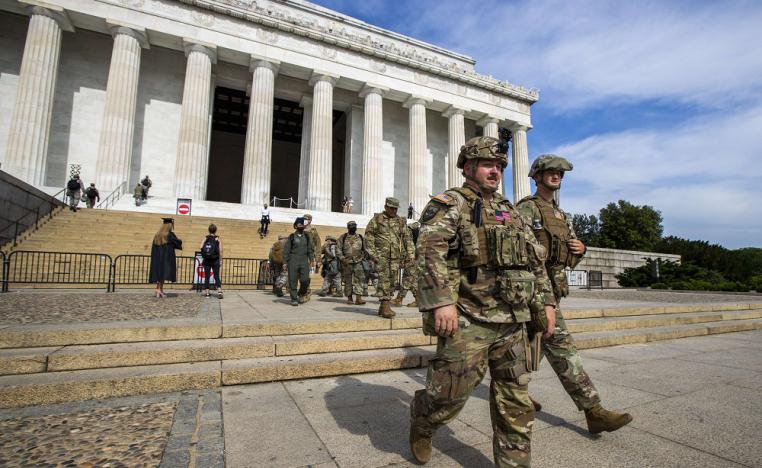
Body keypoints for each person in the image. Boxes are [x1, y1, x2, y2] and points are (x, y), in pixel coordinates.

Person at [409, 136, 556, 466]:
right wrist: (441, 302)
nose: (496, 171)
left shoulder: (509, 210)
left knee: (516, 402)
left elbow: (535, 259)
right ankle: (423, 419)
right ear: (468, 167)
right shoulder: (451, 203)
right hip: (468, 318)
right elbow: (430, 251)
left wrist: (546, 303)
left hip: (512, 320)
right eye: (489, 164)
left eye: (500, 166)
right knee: (447, 398)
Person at [517, 154, 633, 434]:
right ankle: (594, 411)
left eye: (560, 173)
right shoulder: (526, 209)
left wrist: (580, 250)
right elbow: (523, 254)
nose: (556, 176)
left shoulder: (561, 215)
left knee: (529, 349)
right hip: (534, 291)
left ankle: (517, 393)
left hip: (553, 290)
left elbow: (567, 255)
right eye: (551, 171)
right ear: (537, 176)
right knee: (562, 348)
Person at [365, 197, 414, 318]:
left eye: (395, 208)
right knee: (384, 280)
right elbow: (368, 237)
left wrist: (411, 254)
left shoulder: (400, 221)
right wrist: (373, 254)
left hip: (395, 257)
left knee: (392, 281)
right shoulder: (377, 219)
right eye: (391, 208)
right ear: (386, 207)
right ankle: (386, 306)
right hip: (381, 256)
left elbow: (407, 238)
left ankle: (383, 306)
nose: (393, 210)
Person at [283, 217, 315, 306]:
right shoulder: (292, 237)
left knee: (305, 280)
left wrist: (312, 260)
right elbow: (286, 250)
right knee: (292, 280)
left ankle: (301, 294)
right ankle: (294, 299)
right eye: (299, 224)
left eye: (302, 224)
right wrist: (285, 262)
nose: (300, 226)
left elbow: (310, 250)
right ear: (295, 226)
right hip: (293, 261)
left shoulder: (307, 237)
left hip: (304, 261)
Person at [149, 217, 183, 298]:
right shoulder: (169, 235)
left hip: (157, 258)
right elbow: (177, 243)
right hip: (166, 258)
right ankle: (159, 289)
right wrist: (180, 241)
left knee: (159, 273)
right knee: (163, 273)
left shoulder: (157, 235)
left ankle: (159, 289)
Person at [337, 221, 368, 305]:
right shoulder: (342, 237)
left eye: (354, 225)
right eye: (350, 226)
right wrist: (343, 259)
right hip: (347, 263)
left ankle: (358, 298)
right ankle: (349, 298)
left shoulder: (360, 237)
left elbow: (365, 249)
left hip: (358, 262)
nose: (352, 227)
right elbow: (338, 250)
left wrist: (365, 258)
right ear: (348, 227)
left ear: (356, 227)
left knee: (360, 280)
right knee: (348, 281)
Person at [395, 221, 420, 308]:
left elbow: (409, 246)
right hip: (415, 258)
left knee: (407, 278)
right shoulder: (411, 230)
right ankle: (418, 300)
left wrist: (409, 259)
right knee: (413, 280)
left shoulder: (407, 232)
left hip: (411, 259)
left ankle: (399, 299)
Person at [199, 223, 223, 299]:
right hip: (215, 260)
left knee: (207, 277)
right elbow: (220, 250)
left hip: (207, 260)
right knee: (216, 276)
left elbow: (200, 247)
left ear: (209, 230)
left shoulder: (205, 238)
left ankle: (207, 293)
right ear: (215, 230)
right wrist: (220, 260)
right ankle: (219, 291)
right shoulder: (218, 239)